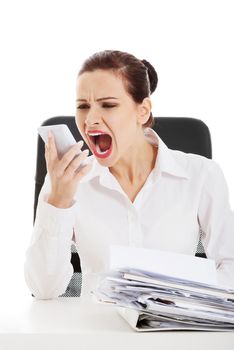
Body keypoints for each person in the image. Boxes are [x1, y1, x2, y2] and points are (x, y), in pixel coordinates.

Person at [24, 50, 234, 299]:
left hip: (175, 329)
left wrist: (181, 293)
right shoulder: (66, 182)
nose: (90, 119)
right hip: (96, 331)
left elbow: (230, 269)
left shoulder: (201, 175)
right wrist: (59, 200)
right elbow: (43, 289)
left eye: (108, 105)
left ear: (142, 111)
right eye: (83, 106)